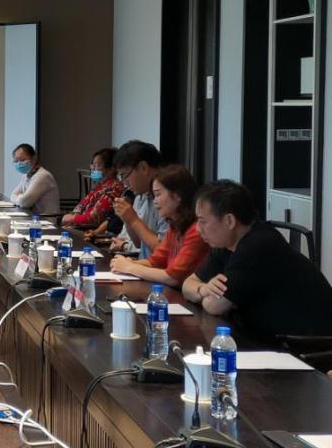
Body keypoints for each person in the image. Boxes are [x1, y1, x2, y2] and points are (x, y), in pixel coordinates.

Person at [184, 180, 332, 341]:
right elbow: (187, 285)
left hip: (305, 343)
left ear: (229, 221)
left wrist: (204, 294)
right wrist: (203, 289)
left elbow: (215, 306)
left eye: (203, 221)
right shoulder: (224, 244)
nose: (198, 229)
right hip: (268, 337)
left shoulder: (259, 245)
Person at [110, 165, 209, 287]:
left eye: (158, 194)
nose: (155, 201)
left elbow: (173, 277)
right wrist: (129, 263)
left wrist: (129, 267)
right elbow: (155, 261)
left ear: (177, 195)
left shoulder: (196, 230)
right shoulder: (175, 227)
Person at [108, 140, 168, 258]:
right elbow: (139, 243)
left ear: (143, 168)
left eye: (124, 175)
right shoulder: (141, 195)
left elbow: (164, 250)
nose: (124, 183)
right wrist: (127, 218)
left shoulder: (169, 194)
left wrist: (133, 220)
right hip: (145, 264)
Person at [61, 147, 124, 229]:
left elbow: (94, 218)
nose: (93, 169)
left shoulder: (114, 188)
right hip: (76, 227)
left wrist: (71, 218)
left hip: (89, 231)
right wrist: (71, 217)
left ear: (111, 169)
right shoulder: (100, 186)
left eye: (97, 165)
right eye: (92, 165)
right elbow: (79, 207)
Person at [9, 143, 60, 216]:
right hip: (33, 218)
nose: (19, 164)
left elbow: (25, 202)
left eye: (22, 160)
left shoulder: (43, 176)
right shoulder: (26, 174)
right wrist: (21, 198)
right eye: (16, 161)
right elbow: (12, 195)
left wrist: (20, 198)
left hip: (46, 219)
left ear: (33, 159)